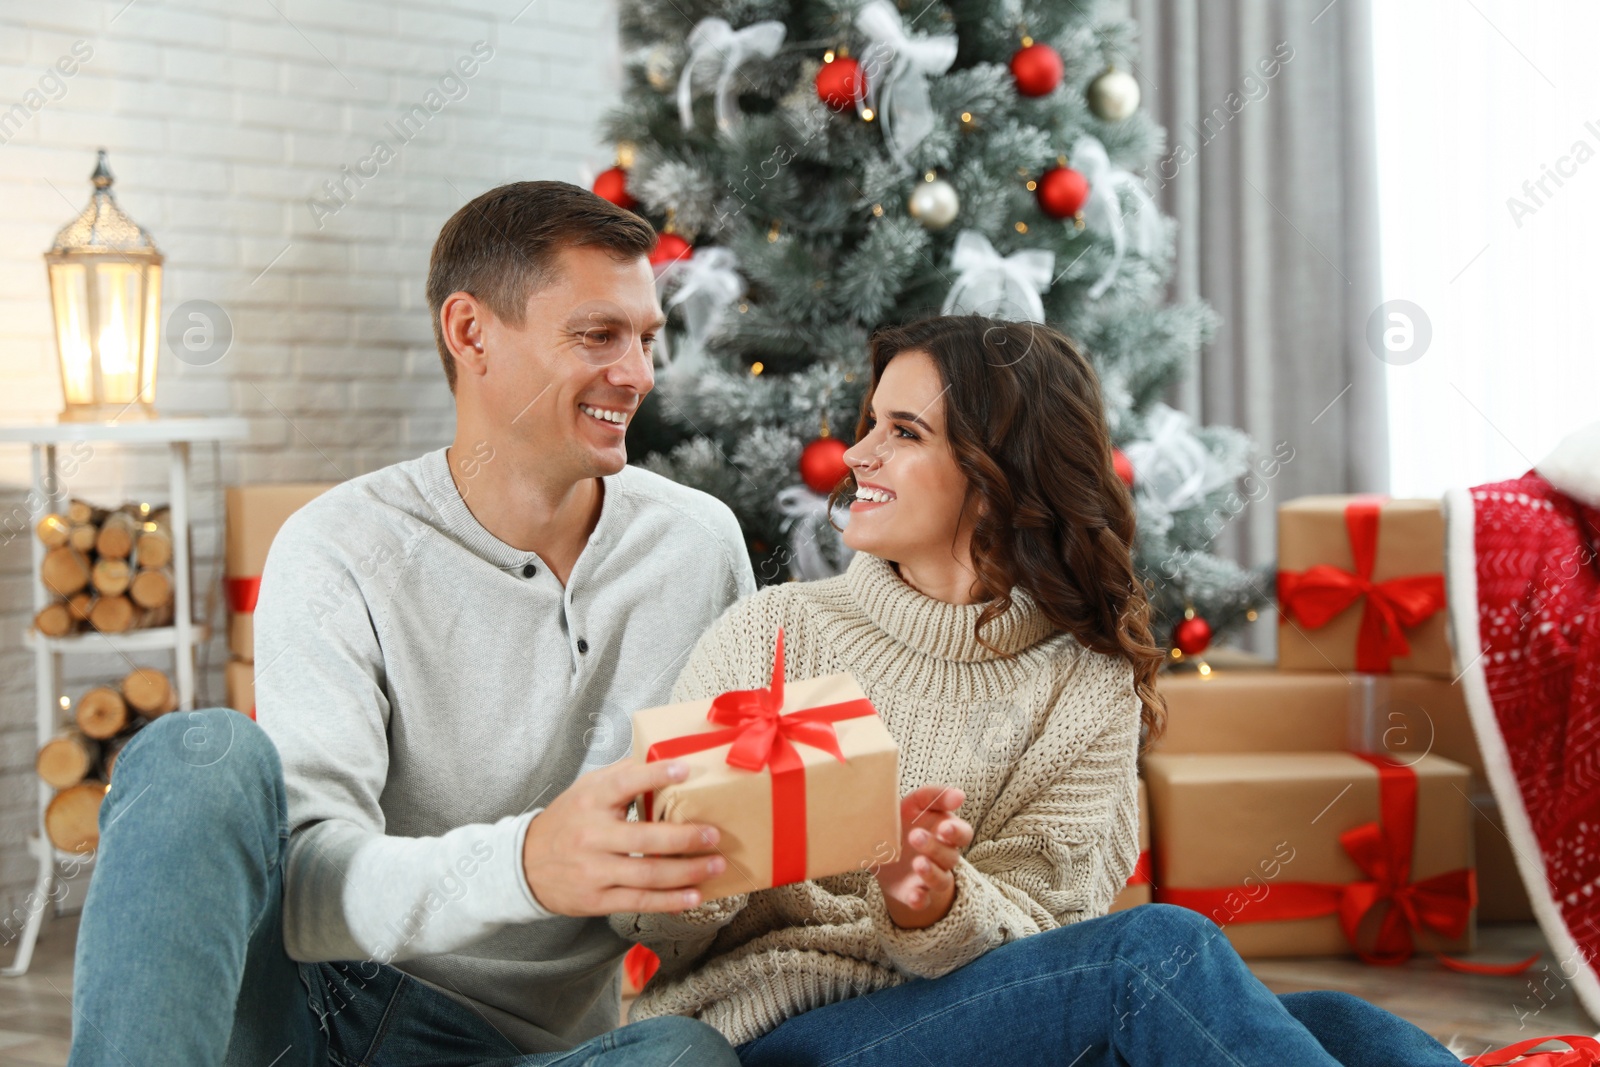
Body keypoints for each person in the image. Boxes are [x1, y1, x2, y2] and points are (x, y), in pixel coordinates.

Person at [610, 315, 1474, 1066]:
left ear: (997, 476)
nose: (857, 453)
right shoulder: (776, 633)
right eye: (870, 423)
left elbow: (1050, 934)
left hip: (984, 1021)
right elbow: (649, 926)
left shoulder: (1085, 681)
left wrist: (934, 904)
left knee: (1341, 1024)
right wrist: (694, 853)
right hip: (780, 1035)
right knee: (1156, 952)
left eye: (903, 432)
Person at [68, 182, 746, 1065]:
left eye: (646, 339)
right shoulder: (340, 547)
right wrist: (528, 863)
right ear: (470, 334)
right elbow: (308, 886)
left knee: (684, 1057)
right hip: (317, 1010)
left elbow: (715, 839)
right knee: (200, 753)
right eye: (598, 335)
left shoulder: (696, 545)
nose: (639, 374)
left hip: (521, 1048)